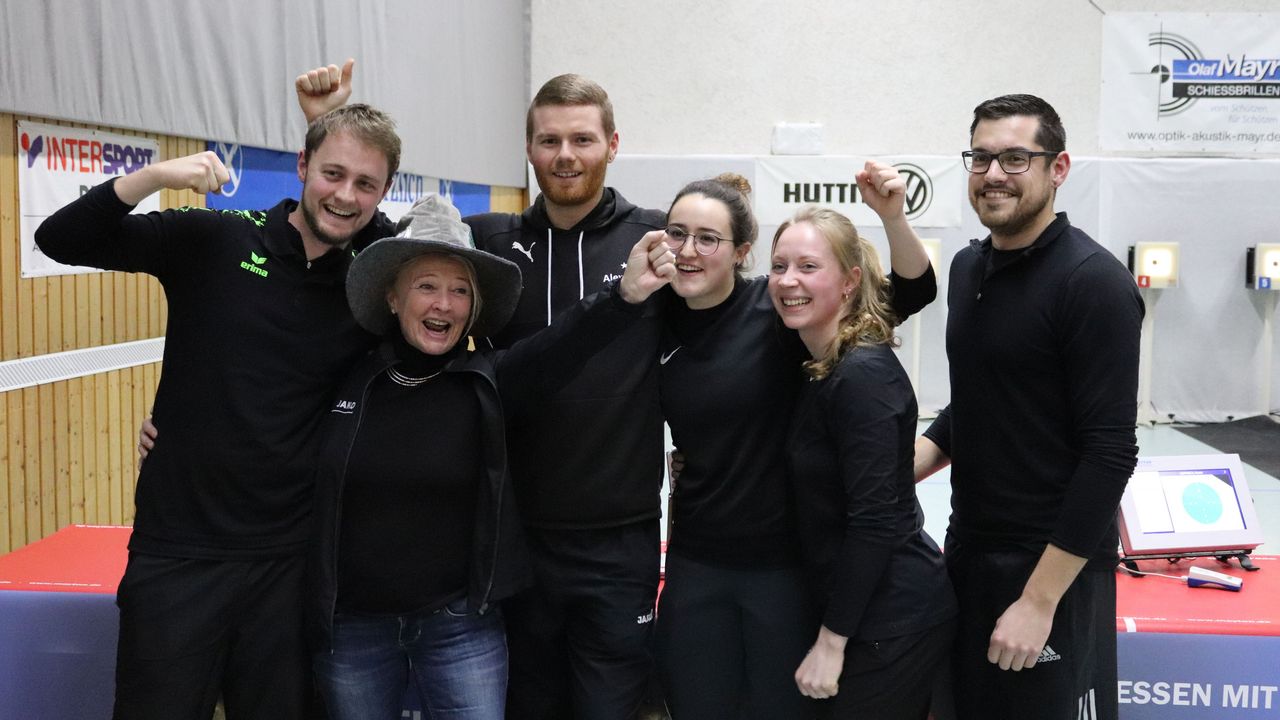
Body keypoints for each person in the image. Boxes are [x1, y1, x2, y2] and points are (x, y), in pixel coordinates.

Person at [295, 65, 668, 719]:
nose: (564, 155)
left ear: (612, 144)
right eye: (549, 140)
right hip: (515, 547)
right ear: (527, 149)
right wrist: (327, 125)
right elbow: (378, 240)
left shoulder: (653, 241)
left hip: (617, 540)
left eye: (582, 139)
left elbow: (732, 323)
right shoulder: (492, 239)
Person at [36, 104, 402, 719]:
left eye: (366, 183)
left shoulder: (373, 281)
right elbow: (60, 238)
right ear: (302, 165)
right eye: (332, 173)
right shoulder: (218, 237)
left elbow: (432, 265)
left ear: (383, 192)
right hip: (178, 556)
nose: (345, 194)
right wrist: (154, 177)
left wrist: (331, 116)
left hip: (291, 567)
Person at [652, 170, 936, 719]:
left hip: (783, 567)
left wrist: (893, 217)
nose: (690, 251)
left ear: (740, 252)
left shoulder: (780, 312)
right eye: (678, 234)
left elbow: (914, 290)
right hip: (696, 562)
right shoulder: (654, 319)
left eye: (708, 239)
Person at [914, 94, 1143, 720]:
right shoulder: (968, 268)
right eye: (981, 158)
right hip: (967, 551)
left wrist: (1039, 601)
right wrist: (896, 465)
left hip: (1052, 569)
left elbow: (1110, 452)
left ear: (1058, 168)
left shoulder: (1092, 282)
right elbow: (981, 400)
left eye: (1016, 158)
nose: (993, 175)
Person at [769, 206, 957, 718]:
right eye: (779, 266)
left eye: (808, 267)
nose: (789, 281)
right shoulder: (819, 363)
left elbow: (875, 521)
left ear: (851, 281)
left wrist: (832, 643)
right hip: (863, 610)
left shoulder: (862, 376)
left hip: (891, 618)